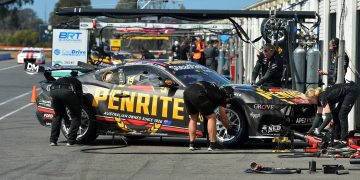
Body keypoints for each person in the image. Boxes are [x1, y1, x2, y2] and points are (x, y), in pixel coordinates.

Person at [183, 81, 237, 151]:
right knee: (212, 117)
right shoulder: (223, 96)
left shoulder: (215, 89)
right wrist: (230, 128)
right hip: (199, 92)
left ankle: (192, 144)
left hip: (187, 91)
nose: (229, 100)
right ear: (228, 95)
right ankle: (213, 144)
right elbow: (223, 117)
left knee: (193, 118)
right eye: (230, 97)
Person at [305, 82, 360, 148]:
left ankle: (344, 140)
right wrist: (309, 132)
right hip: (347, 91)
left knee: (342, 115)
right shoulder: (319, 100)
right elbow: (318, 117)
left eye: (309, 100)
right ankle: (336, 138)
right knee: (335, 113)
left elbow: (328, 117)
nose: (309, 102)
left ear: (313, 97)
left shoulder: (322, 97)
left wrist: (319, 129)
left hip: (351, 90)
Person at [49, 70, 83, 146]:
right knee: (76, 116)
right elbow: (80, 96)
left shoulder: (61, 79)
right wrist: (79, 108)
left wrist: (66, 119)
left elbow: (62, 109)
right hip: (66, 92)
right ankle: (70, 140)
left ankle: (53, 141)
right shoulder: (77, 81)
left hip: (53, 91)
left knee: (57, 116)